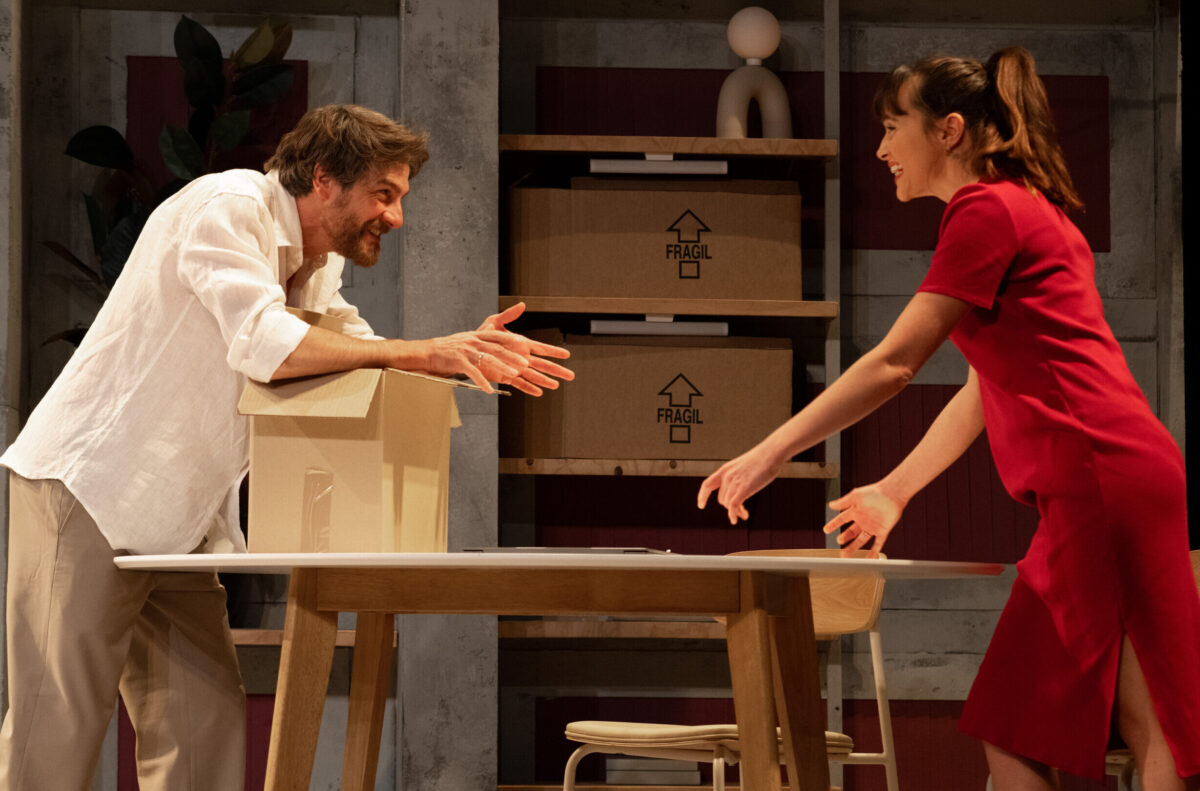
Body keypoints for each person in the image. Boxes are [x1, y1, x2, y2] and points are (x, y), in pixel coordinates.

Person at [0, 104, 573, 790]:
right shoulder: (227, 207)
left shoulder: (315, 265)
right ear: (324, 178)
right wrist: (422, 352)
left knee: (203, 731)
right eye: (383, 194)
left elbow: (361, 353)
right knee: (54, 733)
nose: (396, 217)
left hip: (177, 523)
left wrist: (459, 356)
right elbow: (265, 344)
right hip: (89, 490)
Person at [697, 48, 1199, 790]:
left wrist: (771, 451)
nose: (881, 149)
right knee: (1106, 717)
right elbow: (980, 390)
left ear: (949, 130)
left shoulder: (985, 210)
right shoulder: (1028, 206)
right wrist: (895, 489)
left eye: (892, 126)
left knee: (1052, 725)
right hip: (1117, 478)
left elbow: (894, 363)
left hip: (1100, 482)